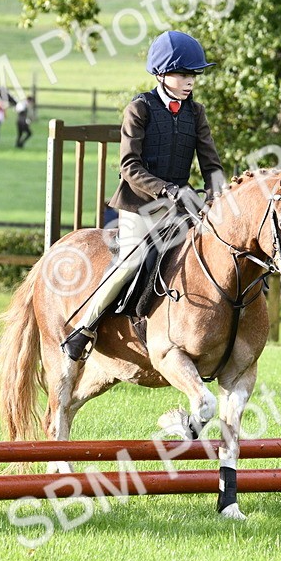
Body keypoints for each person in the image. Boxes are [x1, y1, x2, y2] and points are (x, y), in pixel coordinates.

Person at [61, 30, 224, 361]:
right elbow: (129, 166)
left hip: (181, 204)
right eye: (182, 73)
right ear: (162, 74)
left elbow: (211, 163)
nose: (189, 80)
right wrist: (165, 189)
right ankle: (85, 327)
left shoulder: (197, 113)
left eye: (193, 74)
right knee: (132, 259)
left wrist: (218, 194)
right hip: (140, 203)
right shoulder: (140, 109)